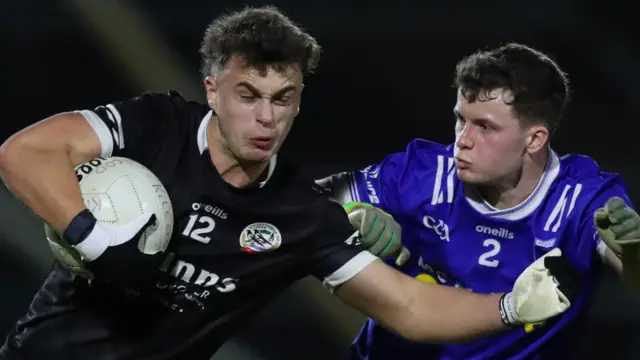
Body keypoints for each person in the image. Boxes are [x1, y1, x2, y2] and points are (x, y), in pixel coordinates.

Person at [0, 7, 574, 359]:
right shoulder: (157, 126)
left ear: (299, 104)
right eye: (248, 96)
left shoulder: (303, 213)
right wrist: (99, 241)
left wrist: (507, 307)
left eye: (284, 99)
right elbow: (24, 152)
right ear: (212, 89)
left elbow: (409, 307)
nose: (266, 117)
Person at [318, 43, 640, 359]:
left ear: (535, 138)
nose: (462, 141)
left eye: (485, 127)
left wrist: (634, 253)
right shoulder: (421, 173)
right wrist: (352, 211)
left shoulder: (581, 198)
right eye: (461, 119)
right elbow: (302, 202)